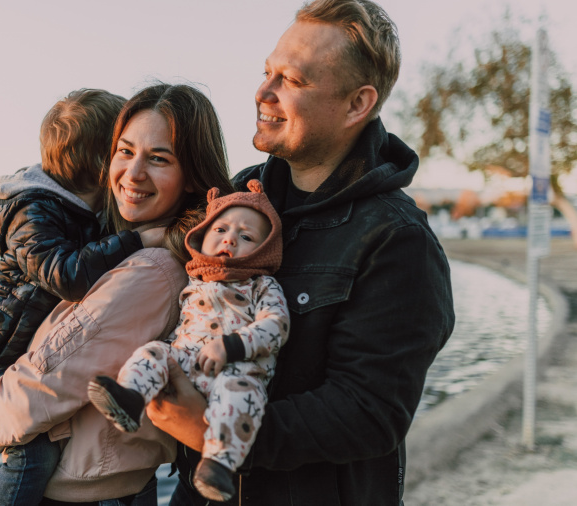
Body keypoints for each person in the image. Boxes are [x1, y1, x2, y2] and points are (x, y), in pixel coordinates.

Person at [145, 1, 456, 505]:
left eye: (292, 80)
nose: (263, 93)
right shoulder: (236, 197)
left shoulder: (399, 241)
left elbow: (369, 413)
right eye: (267, 71)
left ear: (358, 104)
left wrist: (214, 435)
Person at [0, 83, 235, 505]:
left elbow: (47, 383)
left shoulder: (154, 268)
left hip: (90, 492)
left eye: (159, 158)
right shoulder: (137, 245)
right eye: (124, 152)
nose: (133, 173)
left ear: (192, 177)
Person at [87, 179, 290, 502]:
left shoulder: (260, 286)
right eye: (220, 230)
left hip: (236, 368)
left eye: (246, 236)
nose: (230, 239)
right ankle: (130, 397)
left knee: (241, 397)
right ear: (203, 235)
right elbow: (182, 326)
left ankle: (219, 464)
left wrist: (232, 346)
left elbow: (276, 325)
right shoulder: (194, 280)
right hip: (187, 362)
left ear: (265, 250)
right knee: (154, 351)